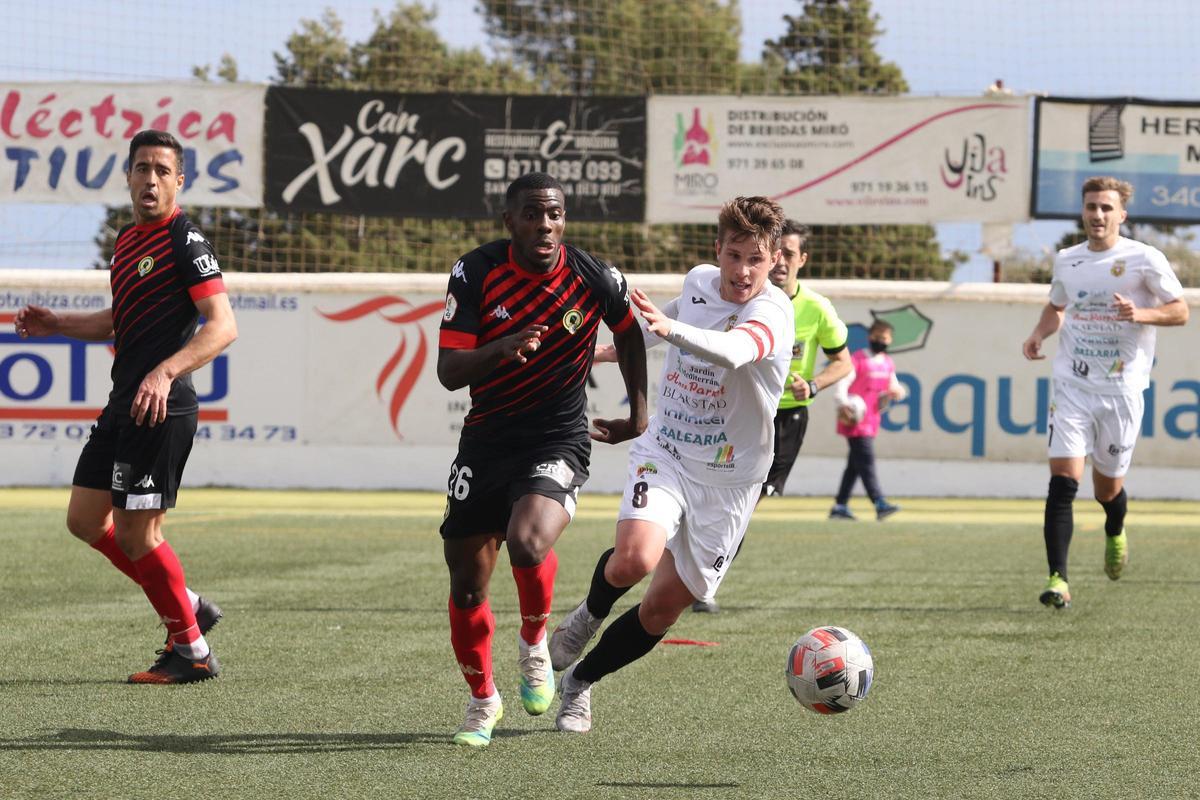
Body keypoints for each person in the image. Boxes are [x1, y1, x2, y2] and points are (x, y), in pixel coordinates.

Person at [547, 196, 795, 733]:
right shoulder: (699, 281)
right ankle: (586, 616)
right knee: (634, 559)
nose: (742, 271)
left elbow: (732, 350)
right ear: (717, 249)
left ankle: (579, 683)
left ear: (775, 259)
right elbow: (662, 323)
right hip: (668, 451)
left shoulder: (773, 313)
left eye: (756, 259)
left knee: (661, 610)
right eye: (734, 256)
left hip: (731, 482)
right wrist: (601, 351)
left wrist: (667, 330)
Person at [12, 129, 237, 683]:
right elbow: (119, 318)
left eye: (162, 170)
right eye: (142, 168)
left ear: (179, 181)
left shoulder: (185, 240)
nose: (151, 179)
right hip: (124, 403)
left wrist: (165, 372)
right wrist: (59, 323)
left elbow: (223, 326)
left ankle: (191, 651)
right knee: (85, 520)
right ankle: (188, 603)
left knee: (139, 535)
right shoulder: (128, 240)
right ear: (128, 177)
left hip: (161, 407)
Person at [436, 172, 648, 746]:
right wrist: (501, 348)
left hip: (557, 439)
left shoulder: (594, 276)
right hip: (486, 441)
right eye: (532, 214)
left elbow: (630, 333)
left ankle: (534, 643)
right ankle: (483, 701)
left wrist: (638, 414)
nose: (545, 225)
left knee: (528, 542)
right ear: (510, 222)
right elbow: (449, 372)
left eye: (554, 214)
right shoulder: (475, 272)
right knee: (467, 587)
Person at [1022, 175, 1188, 609]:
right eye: (1091, 206)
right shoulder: (1067, 260)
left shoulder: (1144, 258)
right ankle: (1058, 579)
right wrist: (1039, 333)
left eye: (1106, 208)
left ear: (1121, 214)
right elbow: (1057, 305)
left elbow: (1180, 311)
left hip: (1121, 390)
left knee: (1107, 491)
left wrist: (1142, 314)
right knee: (1063, 479)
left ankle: (1115, 528)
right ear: (1083, 211)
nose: (1097, 214)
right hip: (1073, 384)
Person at [691, 220, 850, 613]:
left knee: (745, 502)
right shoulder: (745, 297)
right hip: (737, 413)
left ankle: (705, 582)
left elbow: (843, 362)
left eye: (789, 255)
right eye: (778, 255)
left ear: (800, 259)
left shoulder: (816, 308)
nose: (781, 264)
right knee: (715, 497)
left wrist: (813, 385)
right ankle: (693, 574)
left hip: (785, 421)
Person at [828, 319, 906, 521]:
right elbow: (842, 383)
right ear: (870, 337)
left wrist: (896, 392)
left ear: (890, 340)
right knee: (866, 461)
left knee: (855, 465)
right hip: (854, 419)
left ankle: (840, 506)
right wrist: (842, 403)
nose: (880, 341)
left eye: (884, 338)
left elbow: (893, 386)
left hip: (872, 419)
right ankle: (879, 502)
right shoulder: (858, 359)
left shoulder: (887, 363)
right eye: (876, 337)